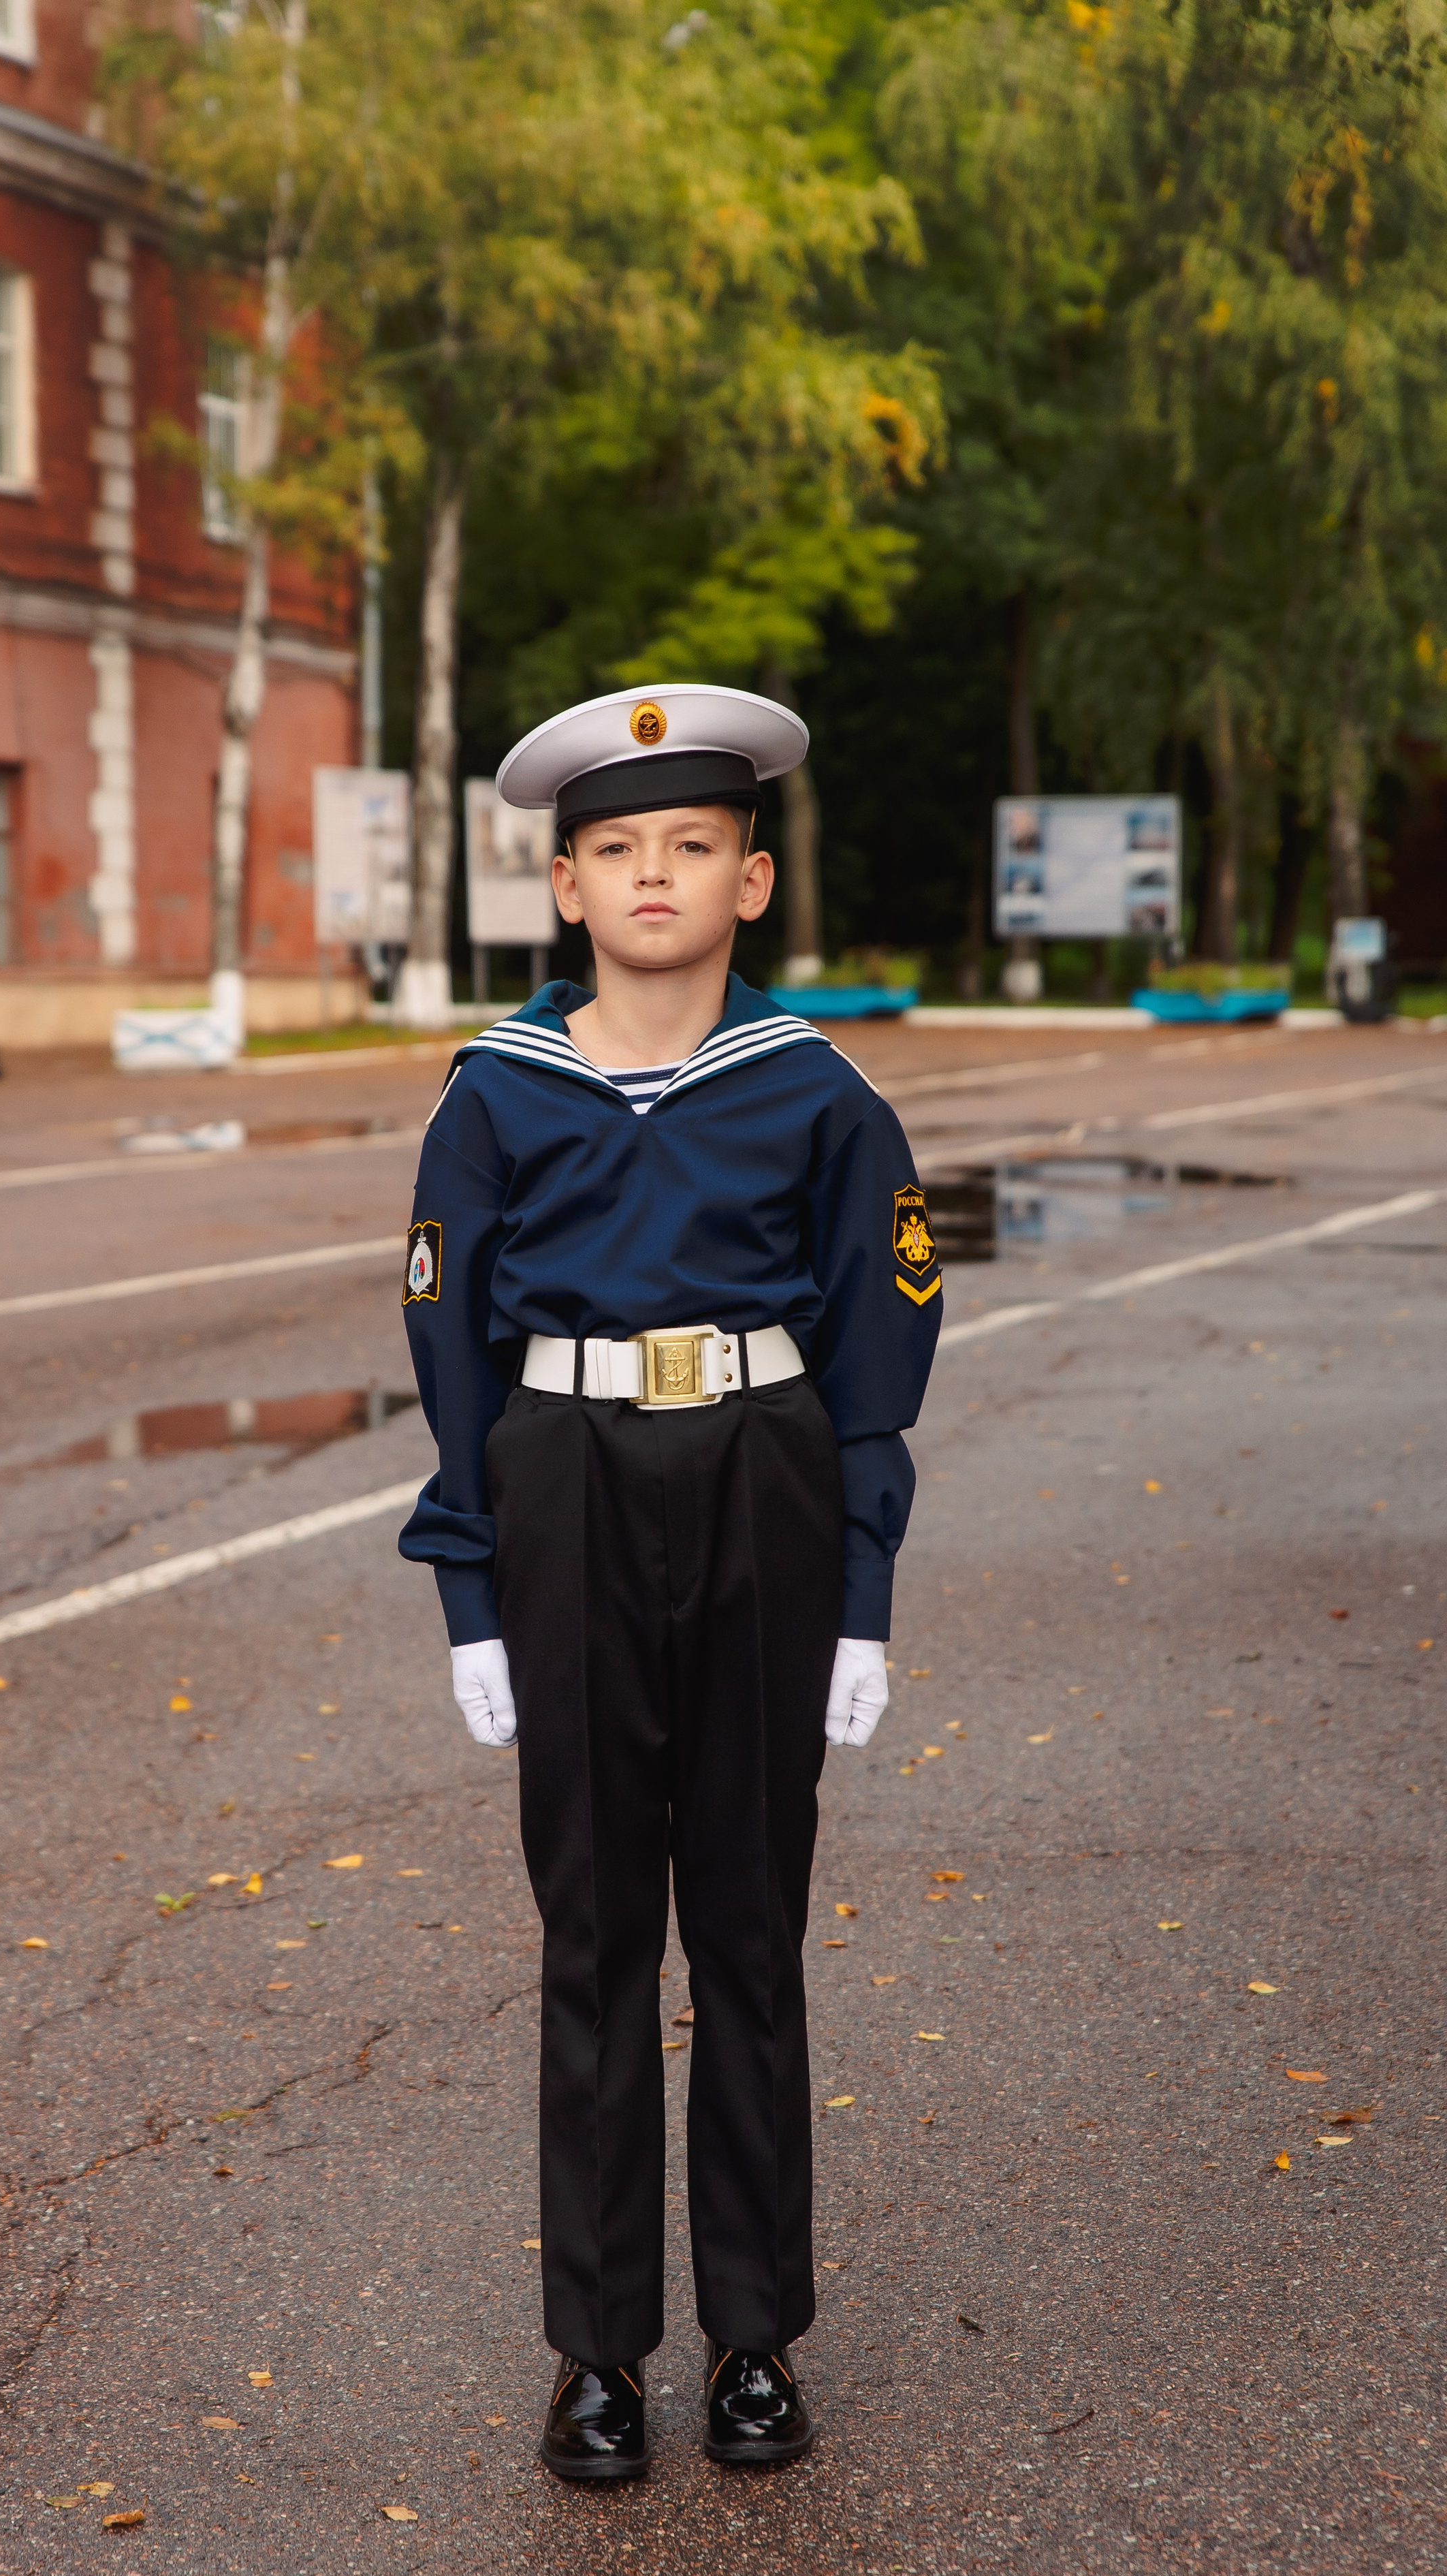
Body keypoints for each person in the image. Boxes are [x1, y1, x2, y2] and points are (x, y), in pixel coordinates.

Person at [398, 684, 941, 2479]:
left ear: (750, 879)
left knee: (752, 1929)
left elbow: (879, 1347)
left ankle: (755, 2337)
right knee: (596, 1932)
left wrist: (860, 1588)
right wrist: (472, 1595)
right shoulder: (497, 1092)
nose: (653, 875)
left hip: (762, 1476)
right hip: (560, 1482)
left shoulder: (816, 1091)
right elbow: (450, 1352)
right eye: (616, 849)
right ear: (563, 886)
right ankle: (600, 2354)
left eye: (691, 845)